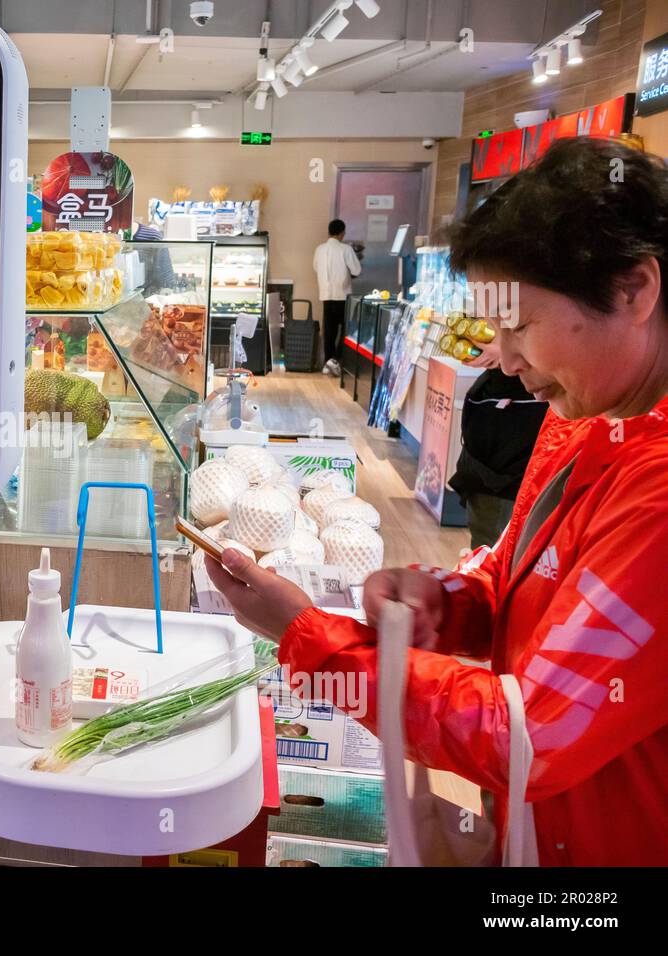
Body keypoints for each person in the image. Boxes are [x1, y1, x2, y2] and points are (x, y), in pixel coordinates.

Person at [206, 137, 668, 865]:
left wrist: (307, 637)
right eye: (492, 327)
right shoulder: (586, 415)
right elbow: (525, 575)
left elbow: (525, 737)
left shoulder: (657, 492)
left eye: (519, 325)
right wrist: (445, 600)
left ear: (635, 290)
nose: (506, 360)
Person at [448, 340, 547, 548]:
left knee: (498, 552)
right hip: (489, 463)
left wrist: (505, 353)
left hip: (511, 469)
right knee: (487, 545)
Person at [313, 218, 361, 376]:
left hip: (326, 295)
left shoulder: (320, 249)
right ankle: (336, 361)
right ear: (342, 233)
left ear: (329, 232)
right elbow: (356, 271)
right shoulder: (346, 249)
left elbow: (315, 267)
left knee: (329, 331)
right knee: (346, 330)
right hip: (343, 295)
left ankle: (328, 363)